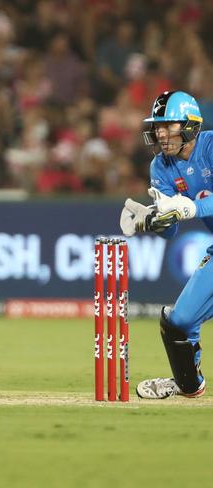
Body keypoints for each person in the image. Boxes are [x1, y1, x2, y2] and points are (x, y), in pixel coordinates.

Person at [119, 90, 211, 399]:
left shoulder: (211, 147)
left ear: (189, 125)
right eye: (157, 126)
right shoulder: (161, 167)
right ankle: (188, 384)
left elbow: (192, 208)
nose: (160, 132)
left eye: (167, 125)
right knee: (178, 322)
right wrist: (154, 221)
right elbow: (170, 233)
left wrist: (193, 208)